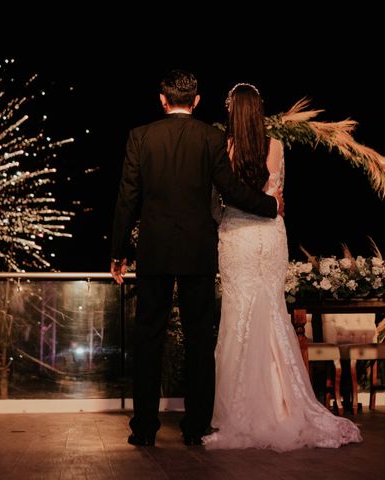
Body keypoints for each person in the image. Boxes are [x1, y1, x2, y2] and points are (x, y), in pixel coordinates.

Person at [110, 70, 283, 447]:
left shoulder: (140, 137)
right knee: (199, 341)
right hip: (198, 251)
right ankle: (196, 427)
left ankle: (143, 429)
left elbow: (127, 199)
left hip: (154, 252)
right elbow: (231, 189)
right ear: (197, 101)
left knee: (148, 340)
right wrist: (270, 206)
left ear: (162, 99)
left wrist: (118, 253)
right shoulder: (212, 137)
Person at [202, 83, 362, 451]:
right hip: (271, 237)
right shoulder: (275, 146)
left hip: (237, 239)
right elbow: (277, 193)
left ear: (231, 111)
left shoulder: (222, 148)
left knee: (238, 319)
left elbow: (216, 203)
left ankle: (239, 413)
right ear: (259, 111)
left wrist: (224, 220)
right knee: (273, 312)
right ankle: (284, 405)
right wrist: (270, 207)